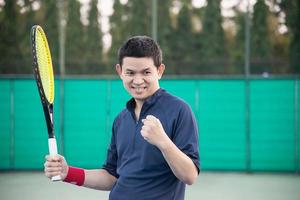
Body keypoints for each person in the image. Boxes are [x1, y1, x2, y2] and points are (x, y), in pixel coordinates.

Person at [44, 35, 200, 200]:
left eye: (146, 72)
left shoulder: (180, 110)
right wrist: (68, 173)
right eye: (130, 73)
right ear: (120, 71)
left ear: (159, 71)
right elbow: (111, 177)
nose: (138, 80)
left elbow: (190, 176)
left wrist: (163, 142)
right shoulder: (121, 119)